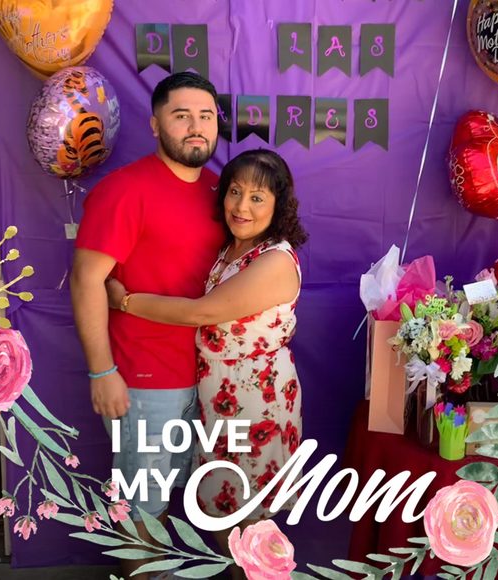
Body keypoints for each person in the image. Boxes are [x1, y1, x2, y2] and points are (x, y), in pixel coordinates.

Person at [106, 148, 307, 578]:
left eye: (257, 197)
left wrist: (125, 301)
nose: (241, 206)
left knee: (247, 523)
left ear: (279, 205)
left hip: (256, 403)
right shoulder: (232, 249)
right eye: (235, 191)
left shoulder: (274, 258)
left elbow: (202, 312)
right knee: (222, 511)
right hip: (219, 399)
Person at [70, 72, 224, 580]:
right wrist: (102, 372)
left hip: (213, 378)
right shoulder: (125, 190)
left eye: (206, 116)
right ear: (156, 124)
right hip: (146, 379)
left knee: (204, 497)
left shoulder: (224, 192)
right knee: (144, 508)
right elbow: (87, 280)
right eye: (182, 116)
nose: (196, 126)